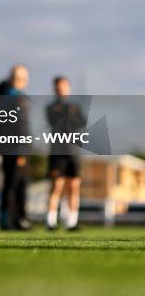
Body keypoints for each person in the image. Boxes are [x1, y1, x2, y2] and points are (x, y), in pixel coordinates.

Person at [0, 64, 32, 230]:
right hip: (15, 147)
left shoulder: (9, 95)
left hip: (11, 146)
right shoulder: (12, 97)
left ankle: (15, 219)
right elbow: (17, 126)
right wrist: (21, 149)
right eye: (23, 78)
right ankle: (13, 219)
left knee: (15, 184)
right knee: (14, 184)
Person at [46, 76, 85, 231]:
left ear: (68, 88)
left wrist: (70, 113)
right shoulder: (50, 108)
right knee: (57, 185)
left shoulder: (75, 107)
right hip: (57, 152)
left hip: (72, 152)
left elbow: (82, 122)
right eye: (58, 87)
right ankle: (51, 222)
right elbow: (57, 123)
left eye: (64, 86)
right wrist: (68, 113)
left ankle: (72, 222)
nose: (61, 89)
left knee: (74, 186)